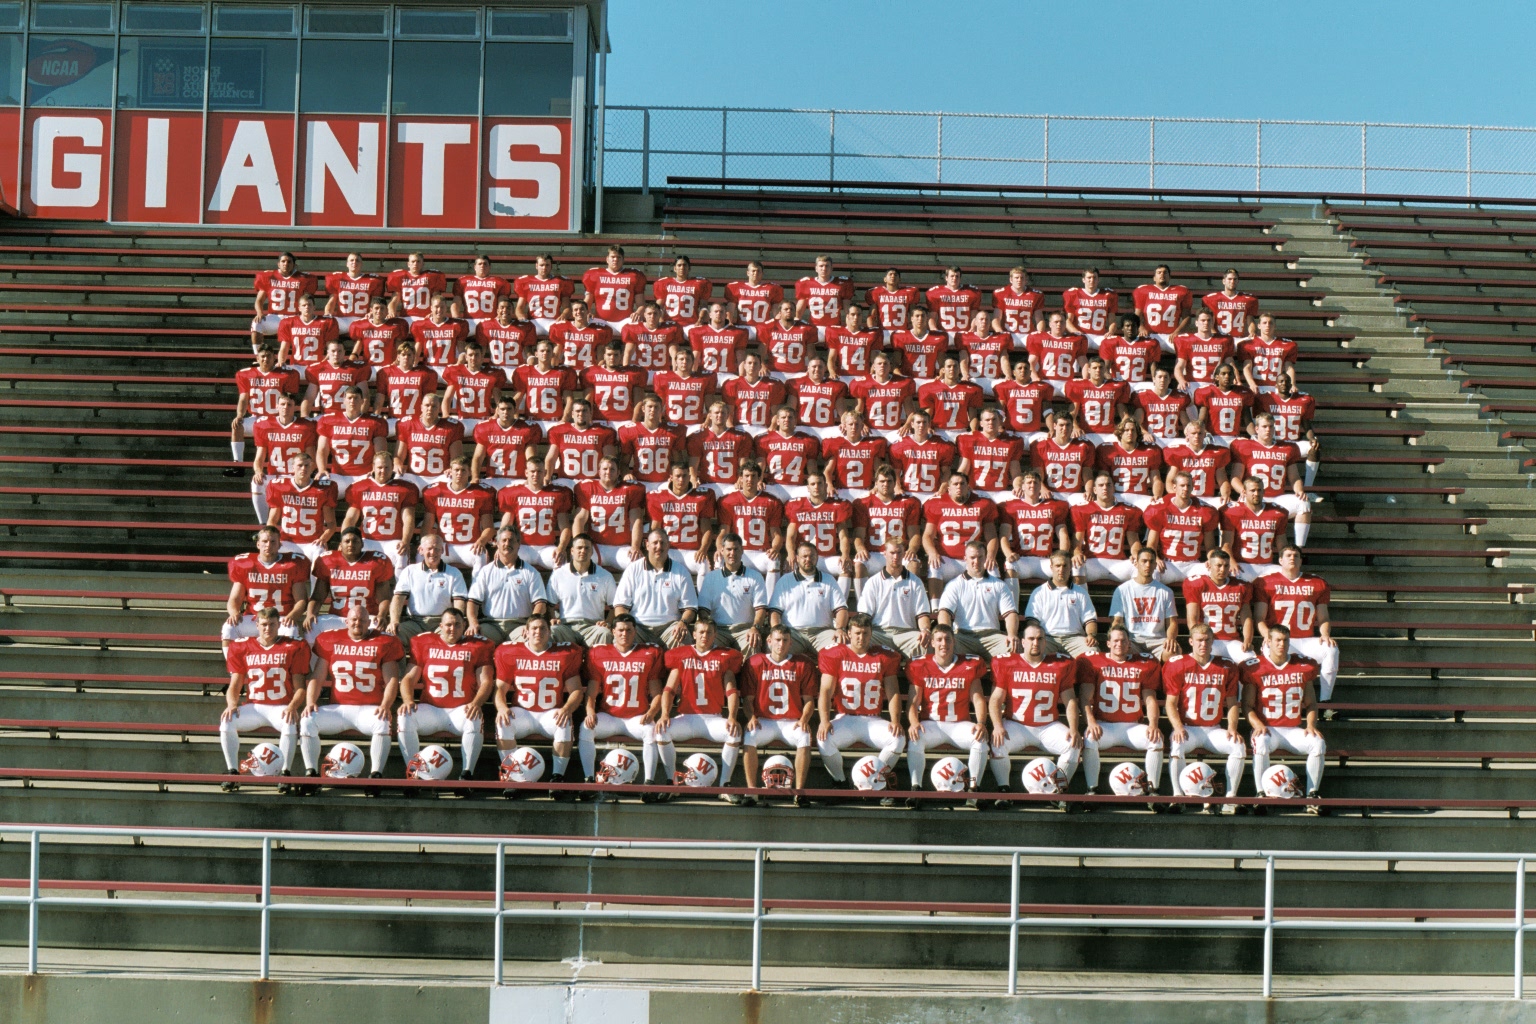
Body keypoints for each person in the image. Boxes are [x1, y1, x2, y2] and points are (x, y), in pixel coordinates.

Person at [302, 602, 402, 781]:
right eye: (354, 620)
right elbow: (317, 677)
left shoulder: (384, 642)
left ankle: (376, 774)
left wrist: (386, 705)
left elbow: (392, 680)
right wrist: (310, 702)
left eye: (363, 620)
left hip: (369, 709)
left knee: (382, 722)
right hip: (339, 709)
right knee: (308, 720)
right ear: (346, 622)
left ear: (368, 622)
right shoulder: (329, 640)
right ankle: (311, 772)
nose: (358, 623)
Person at [985, 620, 1083, 799]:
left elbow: (1070, 701)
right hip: (1017, 725)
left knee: (1073, 745)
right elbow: (995, 700)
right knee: (997, 742)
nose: (1035, 643)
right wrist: (998, 726)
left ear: (1046, 642)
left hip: (1048, 725)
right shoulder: (1007, 663)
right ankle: (1004, 791)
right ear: (1023, 642)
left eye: (1039, 639)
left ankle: (1059, 791)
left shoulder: (1060, 664)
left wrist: (1074, 729)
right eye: (1031, 639)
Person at [398, 608, 495, 782]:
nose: (452, 629)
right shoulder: (425, 643)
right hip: (431, 709)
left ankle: (467, 773)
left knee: (474, 718)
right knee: (405, 716)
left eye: (457, 624)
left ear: (464, 625)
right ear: (441, 626)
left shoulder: (479, 646)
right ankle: (412, 771)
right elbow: (408, 678)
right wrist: (408, 700)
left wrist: (476, 703)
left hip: (461, 710)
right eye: (448, 625)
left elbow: (486, 681)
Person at [492, 613, 586, 792]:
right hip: (522, 712)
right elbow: (500, 689)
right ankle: (511, 775)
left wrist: (567, 708)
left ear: (550, 632)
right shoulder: (509, 652)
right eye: (534, 628)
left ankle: (557, 777)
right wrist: (502, 707)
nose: (538, 632)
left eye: (543, 628)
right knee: (503, 721)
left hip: (550, 713)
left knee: (564, 721)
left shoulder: (565, 653)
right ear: (525, 632)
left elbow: (575, 690)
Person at [220, 607, 308, 789]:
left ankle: (285, 773)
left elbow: (300, 687)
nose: (268, 628)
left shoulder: (293, 647)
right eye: (264, 625)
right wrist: (232, 704)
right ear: (257, 625)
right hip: (255, 706)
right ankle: (232, 772)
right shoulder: (242, 646)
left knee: (289, 723)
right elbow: (235, 684)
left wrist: (292, 707)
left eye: (272, 624)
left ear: (279, 625)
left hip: (281, 706)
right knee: (227, 721)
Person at [816, 614, 905, 790]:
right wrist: (824, 721)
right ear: (849, 633)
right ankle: (840, 781)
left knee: (898, 738)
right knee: (823, 739)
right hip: (845, 718)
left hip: (873, 719)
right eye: (857, 633)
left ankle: (875, 780)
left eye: (865, 633)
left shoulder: (884, 656)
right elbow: (825, 691)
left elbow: (893, 692)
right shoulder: (836, 654)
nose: (861, 638)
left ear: (871, 634)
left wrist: (895, 721)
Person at [1077, 626, 1165, 800]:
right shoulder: (1094, 662)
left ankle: (1153, 789)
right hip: (1105, 725)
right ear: (1108, 643)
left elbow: (1150, 698)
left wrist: (1153, 724)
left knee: (1156, 739)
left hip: (1133, 725)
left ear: (1129, 644)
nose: (1120, 644)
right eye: (1116, 640)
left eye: (1123, 641)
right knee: (1089, 737)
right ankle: (1091, 788)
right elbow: (1084, 698)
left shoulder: (1144, 664)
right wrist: (1091, 722)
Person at [905, 625, 990, 803]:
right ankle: (915, 789)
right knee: (915, 737)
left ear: (954, 641)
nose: (944, 643)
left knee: (980, 739)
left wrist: (981, 722)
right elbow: (913, 702)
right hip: (932, 724)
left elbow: (978, 699)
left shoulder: (968, 664)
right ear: (932, 643)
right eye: (940, 639)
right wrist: (913, 722)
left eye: (948, 639)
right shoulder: (920, 664)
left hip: (960, 724)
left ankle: (974, 790)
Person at [1164, 623, 1245, 810]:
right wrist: (1177, 727)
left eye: (1207, 640)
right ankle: (1178, 797)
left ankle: (1230, 798)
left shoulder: (1226, 666)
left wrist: (1232, 728)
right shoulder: (1178, 664)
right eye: (1199, 640)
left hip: (1213, 728)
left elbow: (1233, 703)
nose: (1203, 644)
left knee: (1238, 746)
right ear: (1191, 641)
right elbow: (1170, 703)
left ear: (1213, 642)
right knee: (1176, 745)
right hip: (1188, 728)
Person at [658, 617, 745, 792]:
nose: (705, 636)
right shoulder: (681, 655)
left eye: (709, 632)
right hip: (687, 717)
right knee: (661, 731)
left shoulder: (724, 657)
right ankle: (671, 781)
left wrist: (732, 717)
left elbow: (731, 690)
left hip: (713, 718)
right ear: (694, 634)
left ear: (715, 635)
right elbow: (669, 689)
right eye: (701, 632)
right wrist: (665, 714)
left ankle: (724, 786)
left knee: (734, 734)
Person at [582, 614, 669, 790]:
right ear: (613, 631)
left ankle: (649, 783)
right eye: (620, 630)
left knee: (652, 730)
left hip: (637, 717)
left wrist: (651, 713)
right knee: (585, 728)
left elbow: (657, 693)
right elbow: (591, 691)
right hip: (609, 716)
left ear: (635, 631)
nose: (624, 633)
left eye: (629, 630)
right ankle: (589, 779)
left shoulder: (649, 653)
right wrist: (590, 711)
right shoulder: (599, 653)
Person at [1242, 625, 1325, 807]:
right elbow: (1247, 705)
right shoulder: (1255, 667)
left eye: (1286, 640)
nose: (1282, 644)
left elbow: (1311, 703)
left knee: (1317, 743)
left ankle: (1312, 795)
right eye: (1277, 640)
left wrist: (1310, 725)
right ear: (1268, 642)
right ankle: (1260, 794)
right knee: (1260, 741)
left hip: (1293, 728)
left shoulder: (1303, 666)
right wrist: (1257, 725)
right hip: (1268, 729)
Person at [1253, 546, 1339, 701]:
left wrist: (1325, 634)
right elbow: (1259, 617)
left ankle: (1326, 701)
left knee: (1331, 650)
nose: (1292, 558)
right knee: (1268, 650)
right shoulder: (1266, 582)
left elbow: (1324, 617)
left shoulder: (1316, 583)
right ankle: (1274, 701)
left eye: (1296, 555)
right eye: (1288, 555)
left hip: (1306, 639)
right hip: (1281, 640)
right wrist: (1267, 635)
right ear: (1280, 560)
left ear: (1300, 560)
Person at [223, 526, 309, 649]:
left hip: (281, 618)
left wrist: (292, 616)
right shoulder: (245, 564)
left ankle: (282, 667)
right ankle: (234, 668)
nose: (268, 545)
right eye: (264, 541)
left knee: (290, 629)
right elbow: (234, 599)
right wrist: (234, 613)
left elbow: (301, 600)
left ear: (279, 545)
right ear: (258, 544)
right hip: (254, 618)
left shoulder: (292, 565)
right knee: (229, 628)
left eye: (273, 541)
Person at [612, 528, 699, 648]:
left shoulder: (681, 572)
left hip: (669, 628)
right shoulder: (633, 570)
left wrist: (682, 623)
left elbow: (690, 609)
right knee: (620, 639)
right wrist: (628, 626)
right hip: (638, 627)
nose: (659, 546)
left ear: (668, 545)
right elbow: (620, 606)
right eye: (655, 543)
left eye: (663, 543)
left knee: (684, 638)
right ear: (647, 545)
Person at [923, 469, 1001, 597]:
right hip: (948, 560)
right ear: (949, 488)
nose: (959, 487)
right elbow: (927, 535)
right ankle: (935, 608)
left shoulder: (983, 504)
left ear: (968, 487)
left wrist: (991, 555)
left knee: (992, 569)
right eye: (955, 484)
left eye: (962, 483)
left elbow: (991, 536)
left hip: (975, 559)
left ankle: (997, 609)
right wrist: (932, 553)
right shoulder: (936, 503)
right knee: (934, 566)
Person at [1228, 412, 1313, 529]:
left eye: (1271, 426)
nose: (1268, 430)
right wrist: (1242, 490)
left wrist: (1299, 491)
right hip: (1252, 496)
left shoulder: (1287, 448)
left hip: (1277, 498)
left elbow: (1294, 477)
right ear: (1256, 429)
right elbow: (1235, 478)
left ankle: (1299, 546)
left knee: (1303, 504)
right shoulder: (1244, 445)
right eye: (1264, 426)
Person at [937, 540, 1019, 658]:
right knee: (944, 646)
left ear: (986, 558)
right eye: (972, 558)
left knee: (1014, 646)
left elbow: (1010, 613)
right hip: (963, 637)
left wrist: (1012, 634)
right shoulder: (954, 585)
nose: (976, 561)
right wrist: (947, 635)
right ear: (965, 558)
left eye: (980, 557)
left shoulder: (999, 585)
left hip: (992, 637)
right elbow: (944, 612)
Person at [466, 526, 549, 643]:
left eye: (511, 540)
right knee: (474, 639)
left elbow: (540, 604)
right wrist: (473, 623)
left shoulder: (531, 573)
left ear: (518, 544)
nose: (507, 543)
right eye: (504, 540)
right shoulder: (485, 572)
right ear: (497, 544)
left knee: (531, 640)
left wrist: (531, 625)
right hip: (491, 625)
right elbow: (472, 602)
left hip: (520, 625)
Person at [342, 450, 420, 574]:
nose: (382, 471)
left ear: (392, 467)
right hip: (366, 540)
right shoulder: (360, 487)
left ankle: (401, 592)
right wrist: (344, 538)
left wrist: (405, 541)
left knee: (401, 555)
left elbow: (408, 518)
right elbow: (350, 518)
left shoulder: (405, 488)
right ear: (373, 467)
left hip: (393, 540)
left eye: (386, 467)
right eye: (379, 467)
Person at [768, 540, 851, 656]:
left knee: (840, 648)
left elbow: (841, 609)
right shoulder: (785, 581)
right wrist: (776, 631)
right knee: (774, 648)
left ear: (817, 558)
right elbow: (775, 612)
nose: (808, 559)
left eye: (812, 556)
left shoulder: (829, 580)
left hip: (822, 632)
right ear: (797, 558)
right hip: (793, 633)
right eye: (804, 556)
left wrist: (840, 628)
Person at [856, 536, 933, 658]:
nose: (895, 557)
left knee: (928, 643)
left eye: (899, 553)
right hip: (879, 633)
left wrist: (925, 630)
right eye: (892, 553)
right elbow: (864, 615)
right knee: (858, 641)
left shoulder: (915, 582)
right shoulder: (873, 582)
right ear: (884, 554)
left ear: (904, 554)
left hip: (907, 634)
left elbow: (922, 614)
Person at [309, 526, 393, 637]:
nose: (351, 544)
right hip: (337, 617)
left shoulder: (376, 562)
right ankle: (315, 655)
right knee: (311, 625)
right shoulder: (328, 561)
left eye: (355, 541)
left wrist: (382, 615)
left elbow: (384, 598)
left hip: (365, 619)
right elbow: (318, 597)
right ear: (340, 544)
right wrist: (310, 613)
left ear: (362, 544)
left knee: (380, 628)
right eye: (347, 541)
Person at [717, 460, 787, 591]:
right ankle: (719, 600)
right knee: (718, 559)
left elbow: (776, 533)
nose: (750, 479)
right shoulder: (728, 500)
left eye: (754, 476)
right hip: (737, 551)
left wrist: (775, 548)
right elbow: (723, 532)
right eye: (747, 476)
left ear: (759, 478)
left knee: (774, 560)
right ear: (740, 478)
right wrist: (719, 548)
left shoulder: (771, 502)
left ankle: (770, 606)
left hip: (761, 552)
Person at [646, 460, 718, 584]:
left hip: (692, 552)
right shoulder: (658, 498)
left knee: (704, 565)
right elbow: (655, 529)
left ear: (690, 477)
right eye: (678, 476)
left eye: (685, 476)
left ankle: (703, 602)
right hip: (668, 550)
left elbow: (707, 530)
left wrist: (703, 550)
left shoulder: (701, 498)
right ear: (671, 478)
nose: (681, 479)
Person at [421, 456, 496, 574]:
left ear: (470, 472)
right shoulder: (436, 491)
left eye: (463, 470)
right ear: (450, 471)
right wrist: (423, 544)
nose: (459, 473)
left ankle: (477, 592)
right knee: (421, 555)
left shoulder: (481, 494)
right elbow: (428, 524)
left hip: (470, 546)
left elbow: (489, 528)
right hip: (443, 545)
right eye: (456, 470)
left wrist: (481, 541)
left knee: (480, 556)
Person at [387, 534, 468, 643]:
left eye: (437, 549)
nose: (433, 553)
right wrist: (394, 621)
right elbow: (398, 598)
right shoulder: (410, 571)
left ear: (442, 551)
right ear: (421, 550)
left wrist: (455, 623)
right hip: (415, 622)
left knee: (452, 637)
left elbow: (459, 602)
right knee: (392, 637)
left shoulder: (454, 573)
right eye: (429, 548)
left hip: (442, 622)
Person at [576, 455, 650, 575]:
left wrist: (635, 546)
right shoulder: (588, 488)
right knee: (579, 561)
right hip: (596, 546)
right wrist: (578, 543)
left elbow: (636, 520)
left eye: (612, 469)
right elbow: (580, 519)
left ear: (619, 472)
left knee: (640, 566)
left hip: (622, 547)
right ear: (598, 471)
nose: (608, 472)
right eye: (605, 469)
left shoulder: (629, 490)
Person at [496, 458, 574, 572]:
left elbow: (565, 528)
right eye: (532, 471)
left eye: (539, 471)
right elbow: (505, 526)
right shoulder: (514, 493)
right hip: (522, 547)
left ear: (545, 473)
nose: (535, 474)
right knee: (506, 564)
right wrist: (501, 547)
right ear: (526, 472)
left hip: (547, 547)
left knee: (561, 565)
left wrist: (561, 548)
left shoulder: (557, 494)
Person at [250, 391, 318, 521]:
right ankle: (263, 525)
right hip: (275, 475)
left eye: (289, 405)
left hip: (296, 476)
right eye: (282, 404)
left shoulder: (305, 426)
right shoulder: (265, 425)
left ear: (295, 407)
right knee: (256, 482)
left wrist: (302, 476)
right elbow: (259, 457)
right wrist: (258, 471)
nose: (285, 407)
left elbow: (311, 458)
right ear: (277, 406)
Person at [1143, 470, 1219, 584]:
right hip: (1168, 564)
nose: (1185, 488)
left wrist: (1211, 558)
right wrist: (1156, 559)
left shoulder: (1204, 511)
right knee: (1150, 572)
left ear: (1193, 487)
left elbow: (1210, 547)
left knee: (1217, 571)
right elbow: (1151, 545)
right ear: (1174, 487)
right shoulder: (1161, 509)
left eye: (1188, 485)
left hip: (1193, 564)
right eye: (1182, 485)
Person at [698, 533, 770, 654]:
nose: (732, 553)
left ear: (742, 551)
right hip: (719, 629)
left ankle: (749, 674)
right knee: (707, 645)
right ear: (722, 551)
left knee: (752, 643)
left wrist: (755, 628)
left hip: (745, 629)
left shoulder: (755, 577)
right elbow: (703, 610)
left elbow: (761, 609)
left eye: (736, 549)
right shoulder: (711, 578)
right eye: (729, 549)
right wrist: (710, 630)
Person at [1183, 549, 1257, 666]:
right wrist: (1200, 641)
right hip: (1209, 640)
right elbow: (1192, 619)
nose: (1222, 569)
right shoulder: (1198, 584)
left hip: (1233, 640)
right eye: (1218, 565)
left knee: (1251, 661)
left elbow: (1246, 617)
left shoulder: (1241, 586)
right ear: (1209, 565)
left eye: (1226, 565)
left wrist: (1247, 640)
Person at [264, 451, 339, 566]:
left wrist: (323, 539)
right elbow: (272, 521)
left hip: (312, 543)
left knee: (320, 557)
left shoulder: (323, 490)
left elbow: (331, 524)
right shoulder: (280, 487)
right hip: (286, 541)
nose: (303, 468)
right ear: (293, 467)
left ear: (312, 467)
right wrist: (274, 540)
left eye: (307, 465)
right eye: (300, 465)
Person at [999, 470, 1072, 587]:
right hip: (1023, 559)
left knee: (1062, 567)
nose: (1032, 485)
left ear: (1040, 486)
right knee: (1010, 564)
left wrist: (1062, 556)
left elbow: (1063, 534)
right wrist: (1008, 553)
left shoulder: (1054, 506)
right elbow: (1004, 535)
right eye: (1029, 482)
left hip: (1046, 560)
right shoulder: (1011, 506)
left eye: (1035, 482)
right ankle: (1012, 605)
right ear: (1022, 486)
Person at [1069, 472, 1143, 583]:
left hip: (1118, 563)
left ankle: (1134, 600)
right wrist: (1076, 553)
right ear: (1094, 490)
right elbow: (1077, 541)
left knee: (1141, 566)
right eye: (1101, 485)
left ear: (1113, 488)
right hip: (1092, 562)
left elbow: (1134, 542)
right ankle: (1080, 599)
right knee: (1076, 565)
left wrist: (1136, 554)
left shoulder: (1127, 511)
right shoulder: (1082, 509)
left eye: (1108, 485)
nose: (1105, 488)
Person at [232, 342, 300, 464]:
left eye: (269, 356)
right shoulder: (246, 374)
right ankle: (237, 463)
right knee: (237, 426)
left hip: (276, 418)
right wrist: (239, 416)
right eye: (262, 356)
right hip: (256, 418)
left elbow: (289, 400)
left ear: (274, 357)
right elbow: (243, 398)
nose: (266, 359)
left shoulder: (286, 374)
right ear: (257, 358)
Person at [783, 469, 855, 584]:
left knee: (846, 568)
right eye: (813, 484)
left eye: (819, 483)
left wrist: (845, 555)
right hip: (805, 558)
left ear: (826, 485)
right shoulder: (797, 506)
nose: (816, 486)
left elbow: (843, 537)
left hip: (828, 557)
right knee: (788, 567)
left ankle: (841, 602)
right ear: (808, 487)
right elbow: (790, 536)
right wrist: (791, 554)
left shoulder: (836, 506)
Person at [1108, 548, 1180, 661]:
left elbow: (1172, 622)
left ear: (1155, 564)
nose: (1148, 565)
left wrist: (1170, 638)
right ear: (1136, 563)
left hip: (1157, 640)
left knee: (1174, 651)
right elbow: (1117, 621)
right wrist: (1121, 639)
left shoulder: (1166, 592)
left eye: (1151, 561)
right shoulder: (1122, 590)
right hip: (1132, 640)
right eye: (1144, 561)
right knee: (1120, 649)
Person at [545, 533, 616, 647]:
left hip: (593, 627)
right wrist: (553, 618)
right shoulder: (559, 574)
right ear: (572, 551)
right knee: (552, 631)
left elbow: (615, 606)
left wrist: (607, 622)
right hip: (566, 626)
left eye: (587, 548)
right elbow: (549, 604)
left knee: (605, 633)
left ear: (592, 551)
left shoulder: (605, 576)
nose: (583, 551)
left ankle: (596, 665)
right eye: (579, 548)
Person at [1024, 552, 1100, 658]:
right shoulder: (1039, 592)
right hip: (1047, 638)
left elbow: (1090, 620)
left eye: (1065, 566)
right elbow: (1032, 621)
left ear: (1070, 567)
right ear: (1051, 567)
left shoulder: (1081, 592)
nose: (1061, 569)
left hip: (1075, 639)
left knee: (1093, 653)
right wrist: (1037, 639)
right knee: (1030, 652)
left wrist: (1091, 635)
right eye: (1058, 566)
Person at [315, 385, 388, 495]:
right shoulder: (329, 421)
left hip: (364, 475)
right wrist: (321, 469)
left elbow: (380, 453)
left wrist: (375, 470)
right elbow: (322, 450)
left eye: (356, 398)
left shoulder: (374, 422)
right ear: (343, 400)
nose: (352, 401)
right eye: (349, 398)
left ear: (362, 401)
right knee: (321, 490)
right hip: (338, 476)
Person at [1220, 477, 1295, 578]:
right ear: (1244, 492)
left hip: (1267, 565)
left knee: (1288, 576)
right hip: (1243, 565)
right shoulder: (1233, 512)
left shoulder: (1277, 513)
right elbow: (1226, 545)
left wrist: (1288, 564)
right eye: (1252, 490)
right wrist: (1231, 562)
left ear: (1263, 491)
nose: (1256, 493)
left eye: (1259, 490)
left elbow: (1282, 546)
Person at [394, 392, 465, 493]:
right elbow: (398, 457)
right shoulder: (408, 425)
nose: (430, 409)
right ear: (421, 407)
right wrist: (397, 464)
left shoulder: (450, 428)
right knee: (397, 478)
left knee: (453, 480)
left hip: (440, 477)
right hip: (414, 477)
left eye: (434, 406)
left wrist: (451, 468)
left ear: (439, 408)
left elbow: (457, 458)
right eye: (427, 405)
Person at [471, 396, 544, 490]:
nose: (505, 412)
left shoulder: (526, 429)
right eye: (502, 409)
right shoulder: (485, 428)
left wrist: (529, 478)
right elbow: (478, 457)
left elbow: (531, 458)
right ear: (497, 410)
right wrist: (475, 477)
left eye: (509, 409)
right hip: (493, 478)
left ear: (515, 410)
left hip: (518, 479)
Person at [956, 407, 1026, 504]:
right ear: (981, 423)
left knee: (1024, 500)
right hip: (976, 491)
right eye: (987, 420)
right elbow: (963, 470)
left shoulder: (1012, 442)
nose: (990, 422)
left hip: (1001, 492)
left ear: (1000, 422)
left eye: (994, 419)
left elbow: (1016, 473)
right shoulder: (970, 440)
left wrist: (1018, 486)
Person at [619, 394, 687, 492]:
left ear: (661, 409)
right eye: (650, 407)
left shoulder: (672, 431)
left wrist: (674, 477)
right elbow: (624, 462)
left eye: (656, 407)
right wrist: (626, 474)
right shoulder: (631, 431)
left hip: (665, 481)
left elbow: (678, 462)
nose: (653, 410)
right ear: (643, 408)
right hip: (640, 480)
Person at [686, 399, 756, 496]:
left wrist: (741, 478)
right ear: (709, 415)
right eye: (716, 413)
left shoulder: (741, 437)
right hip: (707, 484)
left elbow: (743, 463)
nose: (720, 415)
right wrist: (693, 478)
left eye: (723, 413)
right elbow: (694, 462)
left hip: (732, 485)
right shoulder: (699, 437)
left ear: (728, 415)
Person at [545, 398, 619, 487]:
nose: (581, 414)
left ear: (591, 413)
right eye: (578, 411)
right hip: (566, 480)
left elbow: (610, 460)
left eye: (584, 411)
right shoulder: (559, 431)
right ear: (572, 414)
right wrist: (547, 477)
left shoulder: (603, 432)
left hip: (593, 481)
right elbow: (551, 458)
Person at [753, 404, 821, 501]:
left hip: (798, 486)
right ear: (777, 421)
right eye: (783, 417)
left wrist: (813, 483)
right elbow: (761, 462)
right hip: (774, 486)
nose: (786, 420)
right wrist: (759, 480)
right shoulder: (765, 439)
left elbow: (812, 466)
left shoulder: (807, 440)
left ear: (795, 421)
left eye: (790, 417)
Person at [1095, 417, 1164, 511]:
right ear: (1120, 433)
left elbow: (1156, 479)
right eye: (1126, 430)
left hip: (1141, 496)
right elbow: (1103, 479)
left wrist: (1157, 495)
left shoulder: (1150, 451)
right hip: (1117, 496)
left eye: (1133, 430)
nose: (1130, 433)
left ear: (1138, 433)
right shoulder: (1108, 450)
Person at [510, 338, 580, 429]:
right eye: (542, 351)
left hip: (555, 421)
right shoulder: (525, 372)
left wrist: (563, 421)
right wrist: (516, 419)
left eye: (548, 351)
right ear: (536, 354)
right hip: (531, 421)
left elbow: (569, 400)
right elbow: (517, 399)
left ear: (552, 354)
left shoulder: (563, 373)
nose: (545, 353)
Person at [250, 252, 314, 350]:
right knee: (256, 324)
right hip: (275, 317)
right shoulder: (269, 277)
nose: (286, 264)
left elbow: (307, 301)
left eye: (289, 261)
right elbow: (259, 300)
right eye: (283, 261)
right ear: (278, 264)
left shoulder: (303, 278)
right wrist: (259, 313)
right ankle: (258, 356)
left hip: (295, 317)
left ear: (294, 264)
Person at [889, 409, 958, 501]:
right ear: (912, 424)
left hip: (932, 493)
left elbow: (946, 472)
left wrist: (942, 489)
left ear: (929, 424)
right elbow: (896, 472)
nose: (921, 425)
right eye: (918, 422)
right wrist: (897, 488)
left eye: (924, 422)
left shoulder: (942, 445)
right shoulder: (900, 445)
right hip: (908, 492)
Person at [1161, 420, 1233, 508]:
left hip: (1207, 499)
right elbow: (1170, 481)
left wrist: (1225, 495)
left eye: (1200, 433)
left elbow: (1222, 480)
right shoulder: (1178, 453)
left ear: (1204, 435)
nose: (1197, 436)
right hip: (1185, 499)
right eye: (1193, 433)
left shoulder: (1215, 453)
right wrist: (1176, 497)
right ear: (1187, 435)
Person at [847, 350, 915, 443]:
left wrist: (907, 425)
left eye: (885, 364)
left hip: (895, 431)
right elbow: (858, 410)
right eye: (879, 364)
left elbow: (911, 412)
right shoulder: (863, 384)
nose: (882, 366)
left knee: (910, 443)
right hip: (871, 430)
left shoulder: (902, 384)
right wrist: (861, 423)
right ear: (873, 367)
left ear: (890, 366)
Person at [916, 351, 984, 442]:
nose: (952, 369)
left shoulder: (970, 389)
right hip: (938, 430)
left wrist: (974, 432)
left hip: (961, 431)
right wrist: (927, 427)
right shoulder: (931, 388)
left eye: (955, 366)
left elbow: (972, 415)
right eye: (949, 366)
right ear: (943, 370)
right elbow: (929, 412)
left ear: (959, 369)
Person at [822, 409, 888, 500]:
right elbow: (827, 471)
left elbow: (880, 471)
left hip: (865, 491)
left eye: (857, 424)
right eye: (850, 424)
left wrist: (876, 486)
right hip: (842, 491)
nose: (854, 427)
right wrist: (829, 485)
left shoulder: (872, 445)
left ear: (862, 426)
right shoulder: (837, 444)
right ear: (844, 426)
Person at [652, 342, 718, 435]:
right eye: (681, 359)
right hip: (671, 424)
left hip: (695, 425)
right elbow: (659, 404)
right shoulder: (664, 377)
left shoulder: (703, 379)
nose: (684, 362)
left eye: (688, 359)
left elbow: (710, 405)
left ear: (693, 362)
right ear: (675, 361)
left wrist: (707, 421)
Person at [441, 341, 507, 432]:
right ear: (466, 357)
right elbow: (447, 399)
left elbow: (499, 401)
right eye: (470, 355)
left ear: (482, 357)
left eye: (477, 355)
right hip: (463, 419)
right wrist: (445, 415)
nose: (473, 358)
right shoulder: (456, 372)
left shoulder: (492, 374)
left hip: (484, 420)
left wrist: (495, 416)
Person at [1063, 356, 1130, 447]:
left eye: (1101, 367)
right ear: (1089, 370)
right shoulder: (1080, 386)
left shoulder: (1115, 387)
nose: (1098, 370)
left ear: (1105, 369)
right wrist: (1075, 426)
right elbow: (1072, 414)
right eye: (1095, 368)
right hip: (1086, 433)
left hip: (1109, 433)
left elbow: (1124, 415)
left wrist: (1122, 430)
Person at [1030, 412, 1094, 505]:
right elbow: (1038, 473)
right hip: (1051, 493)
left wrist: (1089, 490)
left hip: (1075, 494)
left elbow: (1087, 472)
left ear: (1072, 426)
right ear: (1054, 426)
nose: (1065, 428)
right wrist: (1043, 489)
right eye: (1061, 425)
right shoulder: (1041, 445)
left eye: (1068, 425)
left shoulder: (1084, 446)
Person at [583, 339, 649, 428]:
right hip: (599, 420)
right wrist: (588, 421)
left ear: (621, 356)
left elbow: (639, 402)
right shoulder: (593, 372)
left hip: (625, 421)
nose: (612, 358)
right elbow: (588, 400)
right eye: (609, 355)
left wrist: (634, 422)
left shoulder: (634, 373)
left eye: (616, 355)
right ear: (604, 356)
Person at [722, 351, 786, 437]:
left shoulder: (772, 385)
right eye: (749, 363)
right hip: (741, 427)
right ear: (744, 365)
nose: (752, 366)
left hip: (762, 428)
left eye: (755, 363)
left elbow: (775, 412)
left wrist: (771, 428)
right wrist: (732, 429)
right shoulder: (733, 384)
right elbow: (729, 412)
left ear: (760, 366)